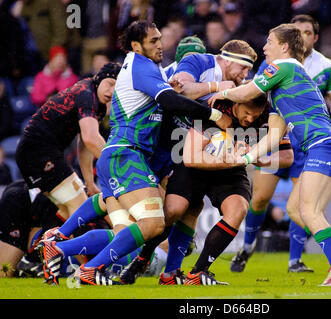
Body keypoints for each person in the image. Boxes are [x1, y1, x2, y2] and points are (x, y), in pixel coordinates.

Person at [40, 20, 231, 286]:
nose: (160, 45)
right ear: (136, 45)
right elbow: (170, 100)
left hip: (127, 156)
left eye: (160, 39)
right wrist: (214, 113)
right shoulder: (143, 67)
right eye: (153, 41)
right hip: (128, 156)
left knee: (128, 233)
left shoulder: (154, 71)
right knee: (155, 224)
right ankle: (86, 264)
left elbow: (171, 97)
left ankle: (59, 247)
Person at [209, 23, 331, 286]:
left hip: (325, 145)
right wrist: (246, 158)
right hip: (327, 146)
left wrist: (220, 92)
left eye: (269, 42)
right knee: (306, 211)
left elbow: (248, 91)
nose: (264, 47)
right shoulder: (280, 89)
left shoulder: (284, 67)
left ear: (284, 47)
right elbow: (274, 135)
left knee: (307, 211)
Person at [118, 38, 268, 285]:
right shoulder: (200, 67)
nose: (246, 74)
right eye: (244, 68)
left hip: (210, 157)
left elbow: (285, 155)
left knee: (229, 209)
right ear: (229, 60)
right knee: (169, 212)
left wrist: (255, 156)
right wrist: (218, 88)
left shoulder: (255, 102)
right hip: (166, 146)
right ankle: (133, 258)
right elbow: (181, 92)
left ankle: (192, 272)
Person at [16, 62, 121, 223]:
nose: (112, 91)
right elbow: (91, 138)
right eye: (110, 83)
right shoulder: (87, 95)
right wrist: (120, 166)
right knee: (81, 209)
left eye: (117, 87)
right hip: (38, 152)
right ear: (99, 79)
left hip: (38, 152)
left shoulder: (95, 100)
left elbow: (85, 144)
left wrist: (89, 182)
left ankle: (43, 245)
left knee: (67, 213)